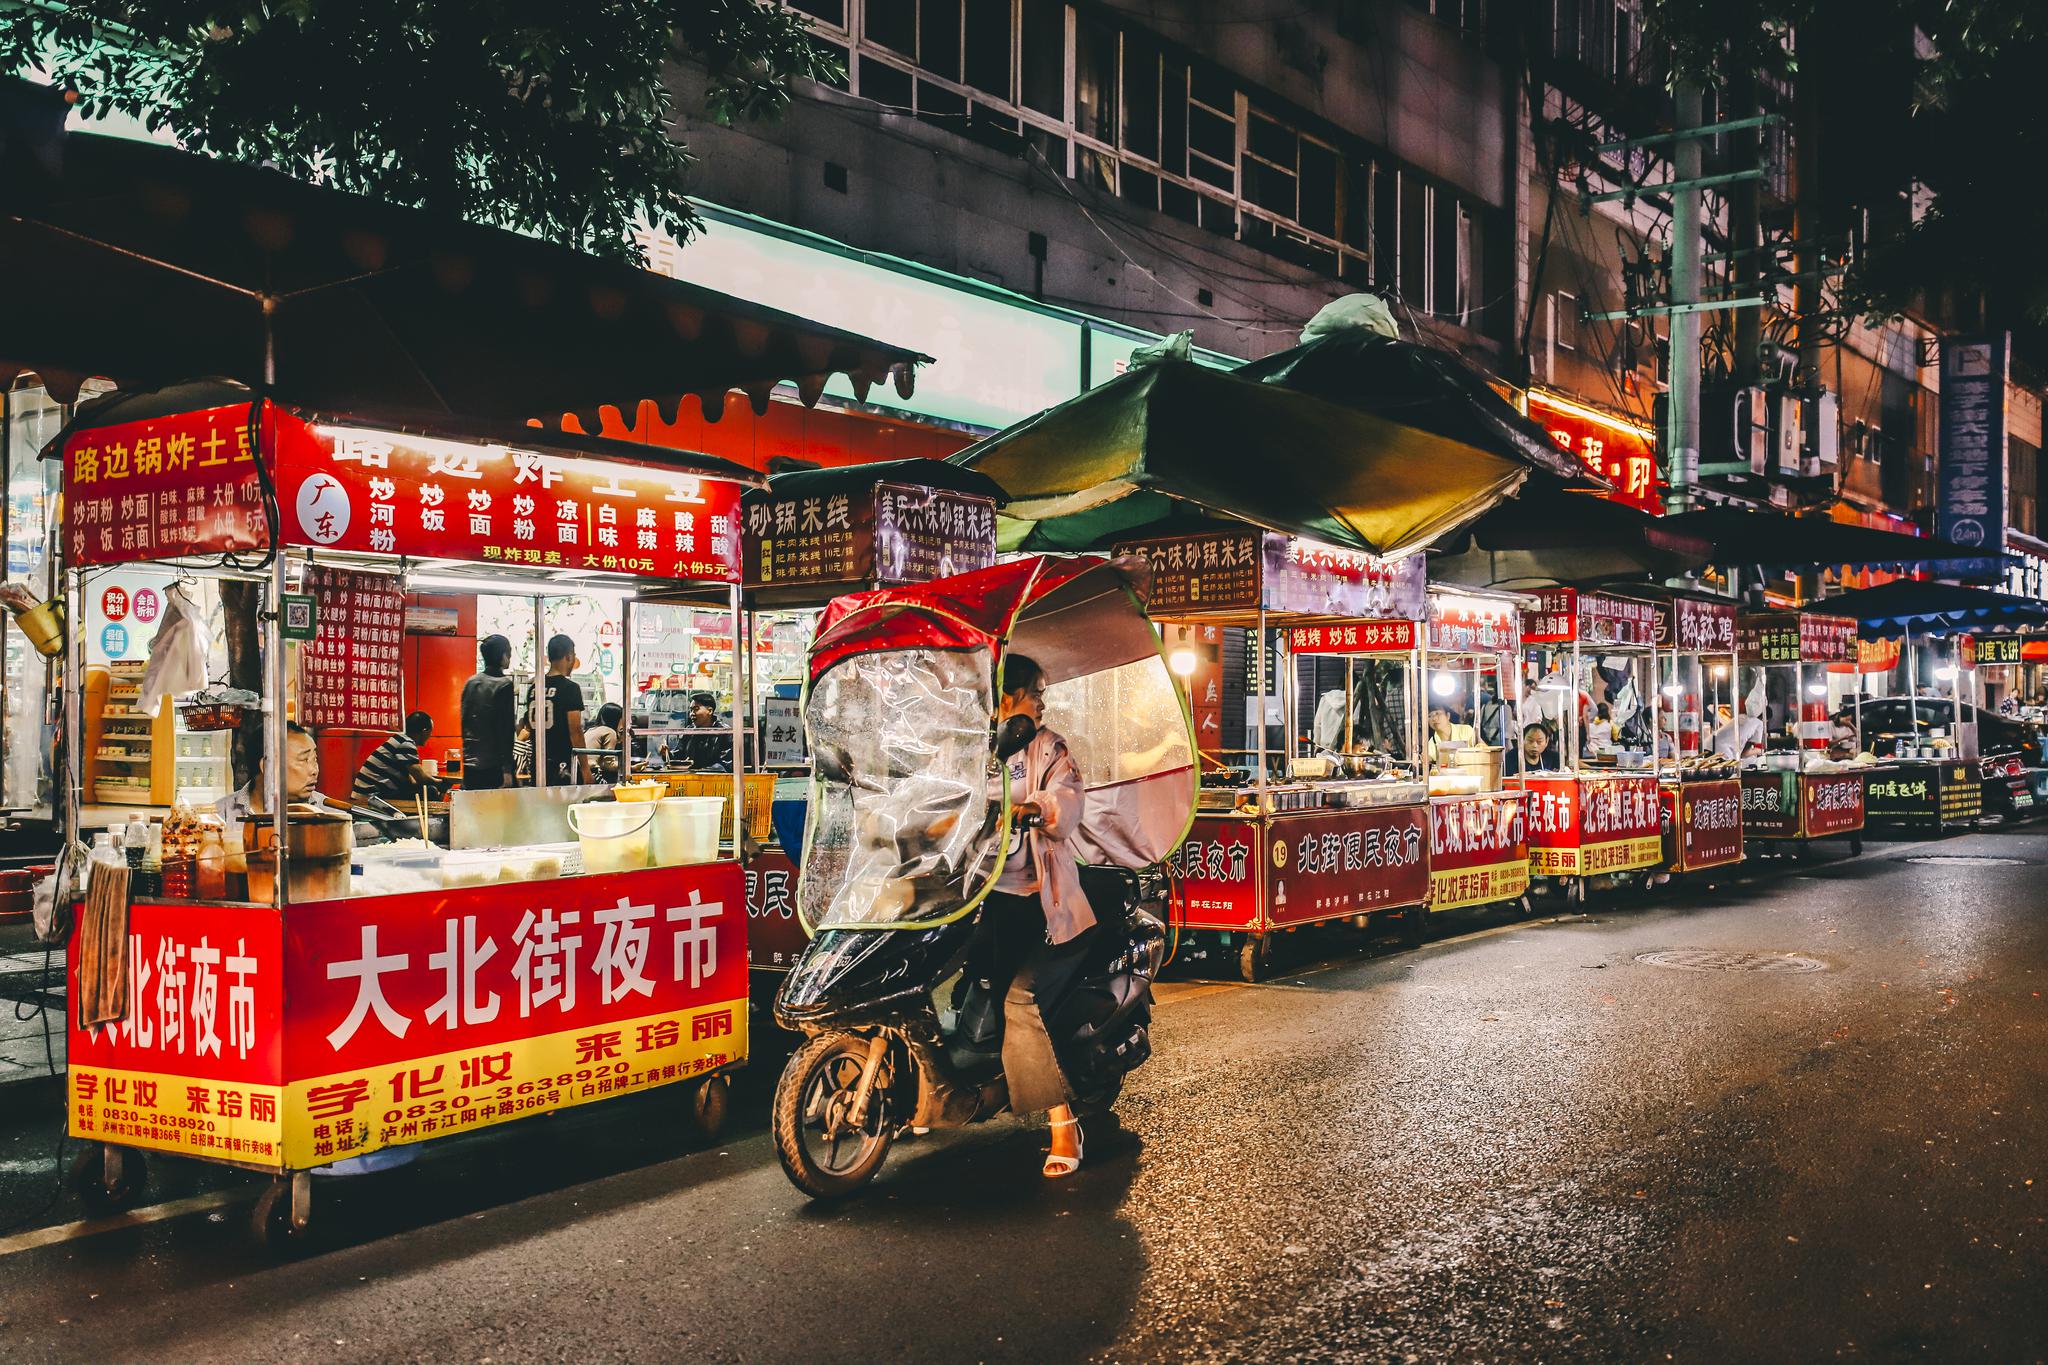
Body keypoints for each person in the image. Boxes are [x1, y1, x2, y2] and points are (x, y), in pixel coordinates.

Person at [981, 654, 1091, 1179]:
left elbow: (1066, 802)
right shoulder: (974, 745)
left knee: (1020, 1002)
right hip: (977, 897)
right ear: (1007, 698)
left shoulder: (1050, 748)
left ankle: (1063, 1123)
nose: (1042, 703)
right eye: (1035, 693)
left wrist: (1036, 808)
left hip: (1041, 902)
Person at [217, 721, 321, 823]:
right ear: (268, 767)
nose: (314, 770)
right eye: (304, 759)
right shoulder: (220, 817)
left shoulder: (326, 811)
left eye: (315, 759)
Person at [352, 711, 448, 807]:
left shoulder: (400, 739)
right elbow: (421, 778)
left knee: (426, 790)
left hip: (367, 794)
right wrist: (442, 783)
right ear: (424, 731)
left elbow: (411, 782)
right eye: (430, 732)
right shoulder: (406, 744)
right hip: (371, 797)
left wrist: (438, 784)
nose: (430, 735)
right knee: (430, 791)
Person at [459, 634, 516, 790]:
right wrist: (507, 769)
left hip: (470, 765)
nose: (510, 656)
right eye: (509, 652)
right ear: (503, 655)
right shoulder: (504, 685)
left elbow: (465, 724)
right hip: (494, 766)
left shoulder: (471, 683)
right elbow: (505, 730)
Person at [538, 634, 588, 787]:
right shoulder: (570, 688)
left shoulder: (535, 688)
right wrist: (585, 769)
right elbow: (576, 731)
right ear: (569, 657)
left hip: (538, 764)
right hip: (562, 764)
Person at [666, 690, 734, 772]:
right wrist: (667, 753)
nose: (692, 714)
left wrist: (701, 772)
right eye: (691, 710)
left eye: (696, 709)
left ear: (710, 711)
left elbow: (725, 764)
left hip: (713, 777)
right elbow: (679, 756)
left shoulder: (725, 732)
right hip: (690, 777)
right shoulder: (689, 730)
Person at [584, 702, 625, 781]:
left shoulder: (591, 729)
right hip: (592, 772)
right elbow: (608, 765)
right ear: (615, 719)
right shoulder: (610, 732)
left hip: (580, 771)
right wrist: (630, 767)